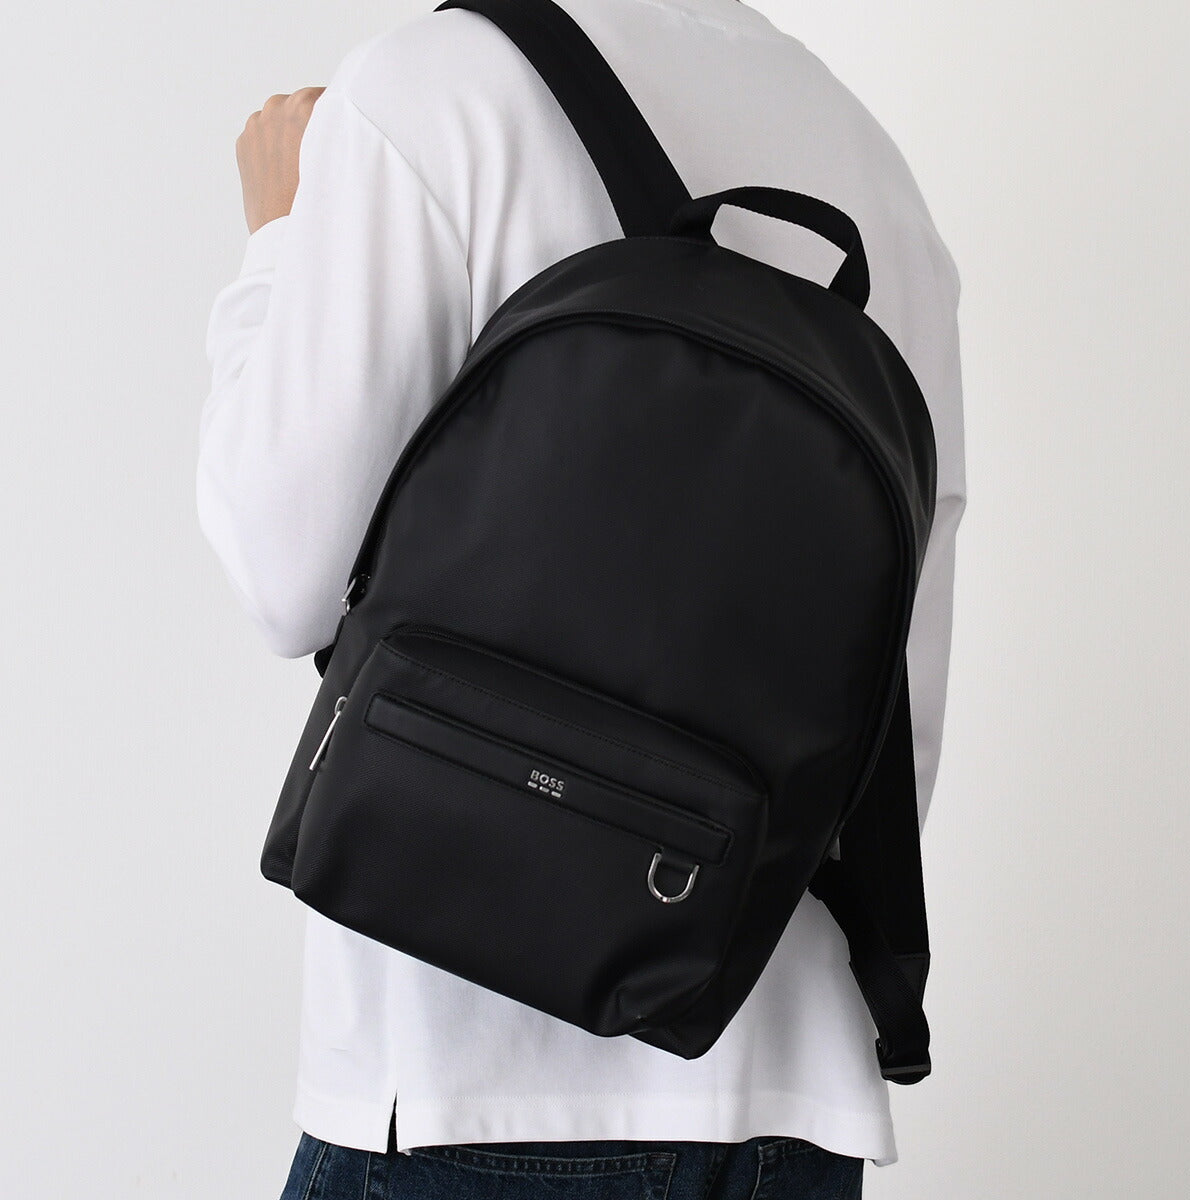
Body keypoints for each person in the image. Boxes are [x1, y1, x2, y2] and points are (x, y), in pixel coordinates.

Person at [198, 0, 966, 1195]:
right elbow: (888, 736)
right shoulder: (868, 160)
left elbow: (283, 574)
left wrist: (278, 244)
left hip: (474, 1090)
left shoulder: (428, 93)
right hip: (789, 1095)